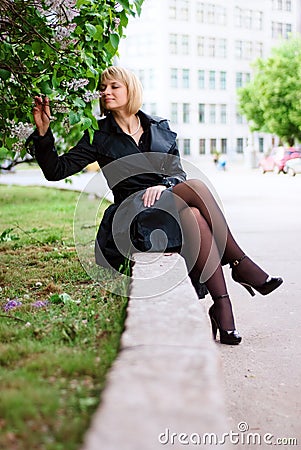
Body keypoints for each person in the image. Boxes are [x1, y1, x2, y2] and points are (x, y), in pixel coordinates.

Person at [30, 66, 283, 345]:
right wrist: (43, 134)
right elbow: (56, 170)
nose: (105, 92)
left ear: (130, 89)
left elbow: (178, 175)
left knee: (195, 213)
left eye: (114, 86)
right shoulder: (97, 135)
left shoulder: (159, 128)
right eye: (103, 87)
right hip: (131, 216)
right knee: (197, 192)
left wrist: (164, 186)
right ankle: (239, 264)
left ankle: (222, 305)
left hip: (166, 206)